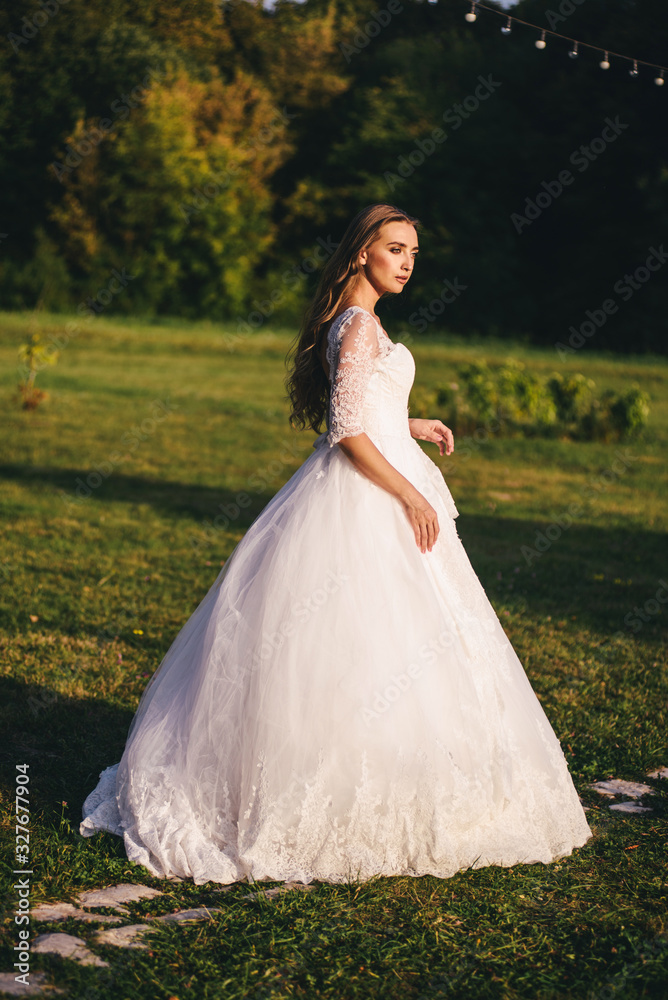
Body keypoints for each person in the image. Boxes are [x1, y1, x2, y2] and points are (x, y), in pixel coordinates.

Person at [80, 202, 593, 886]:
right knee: (358, 638)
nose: (407, 261)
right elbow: (347, 434)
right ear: (362, 254)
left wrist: (410, 423)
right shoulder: (356, 325)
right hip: (362, 498)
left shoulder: (362, 323)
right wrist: (408, 494)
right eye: (395, 248)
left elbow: (366, 413)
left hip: (377, 475)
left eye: (413, 250)